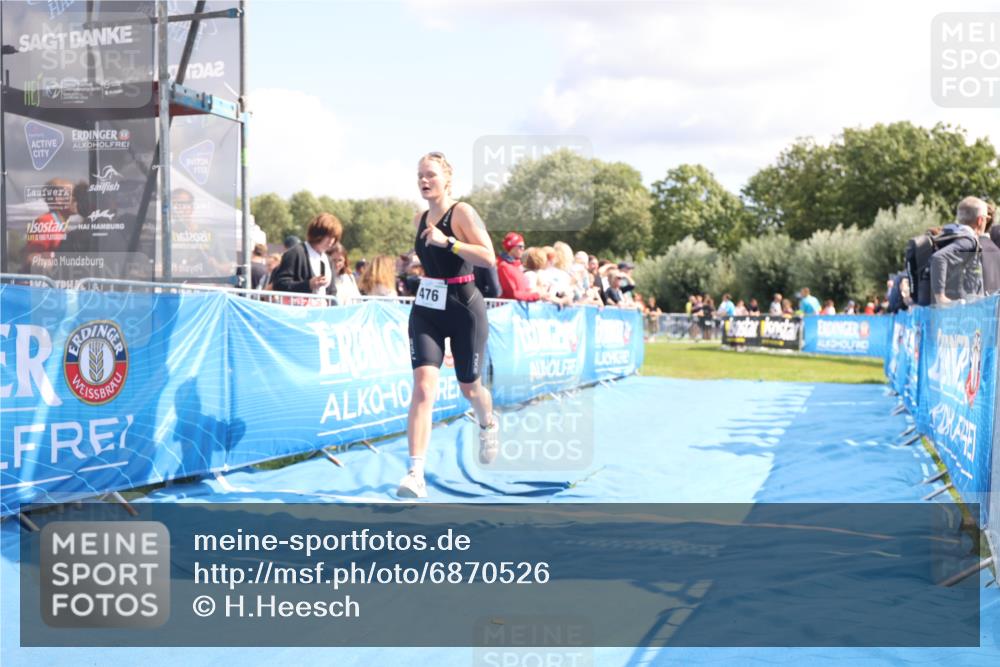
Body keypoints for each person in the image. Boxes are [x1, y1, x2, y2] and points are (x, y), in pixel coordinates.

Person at [399, 152, 499, 499]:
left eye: (430, 174)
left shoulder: (463, 212)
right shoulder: (419, 218)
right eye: (419, 175)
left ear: (447, 179)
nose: (424, 181)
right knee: (424, 388)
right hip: (428, 307)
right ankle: (415, 474)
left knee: (469, 388)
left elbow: (489, 257)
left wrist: (450, 243)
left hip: (464, 307)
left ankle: (487, 422)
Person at [931, 196, 988, 304]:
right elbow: (939, 257)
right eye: (986, 219)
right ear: (980, 220)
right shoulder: (969, 241)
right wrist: (941, 298)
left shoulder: (949, 236)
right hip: (961, 308)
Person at [270, 213, 340, 295]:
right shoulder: (295, 253)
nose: (332, 241)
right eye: (329, 236)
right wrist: (308, 284)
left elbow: (332, 290)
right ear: (318, 233)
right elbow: (279, 284)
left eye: (334, 237)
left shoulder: (328, 260)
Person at [497, 232, 542, 301]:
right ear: (511, 247)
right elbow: (513, 294)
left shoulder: (517, 266)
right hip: (509, 306)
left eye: (524, 246)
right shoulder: (504, 266)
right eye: (520, 246)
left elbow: (522, 291)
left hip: (518, 306)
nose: (523, 249)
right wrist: (537, 295)